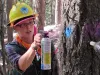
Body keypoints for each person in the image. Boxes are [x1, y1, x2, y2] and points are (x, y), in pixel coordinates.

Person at [5, 2, 58, 75]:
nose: (28, 27)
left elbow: (54, 69)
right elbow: (21, 66)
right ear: (15, 27)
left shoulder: (46, 44)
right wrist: (34, 46)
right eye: (23, 24)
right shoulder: (10, 48)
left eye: (30, 22)